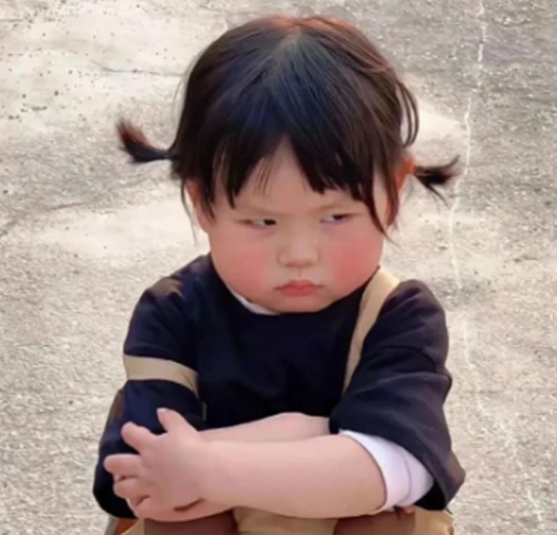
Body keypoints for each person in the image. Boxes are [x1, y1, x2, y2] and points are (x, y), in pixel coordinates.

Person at [93, 15, 465, 535]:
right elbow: (139, 479)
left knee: (386, 519)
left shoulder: (396, 316)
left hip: (336, 520)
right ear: (202, 202)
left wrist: (207, 465)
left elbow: (399, 468)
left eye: (336, 217)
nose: (299, 254)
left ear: (394, 191)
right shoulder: (174, 312)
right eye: (263, 222)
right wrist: (313, 437)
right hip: (214, 522)